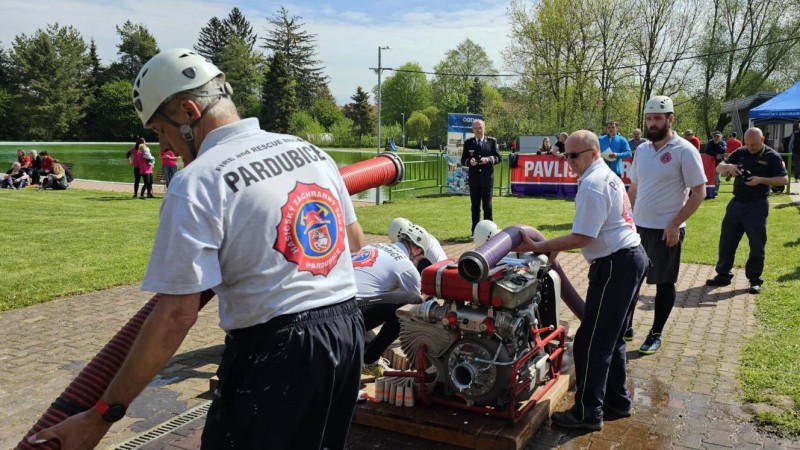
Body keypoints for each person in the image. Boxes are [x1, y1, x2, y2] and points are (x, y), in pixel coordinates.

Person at [29, 48, 366, 450]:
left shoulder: (197, 182)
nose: (165, 142)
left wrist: (102, 415)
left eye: (160, 130)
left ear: (189, 112)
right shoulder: (307, 150)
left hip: (277, 353)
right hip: (347, 332)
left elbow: (175, 316)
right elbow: (355, 244)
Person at [515, 130, 647, 431]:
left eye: (573, 155)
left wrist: (539, 247)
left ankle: (587, 414)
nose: (568, 160)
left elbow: (584, 236)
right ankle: (618, 400)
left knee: (590, 342)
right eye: (565, 154)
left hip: (615, 264)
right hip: (629, 259)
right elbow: (590, 228)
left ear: (593, 152)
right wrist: (555, 250)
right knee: (612, 340)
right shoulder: (604, 176)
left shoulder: (593, 184)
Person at [627, 95, 707, 355]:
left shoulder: (684, 150)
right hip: (638, 228)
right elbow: (634, 188)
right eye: (649, 118)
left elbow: (699, 192)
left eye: (657, 118)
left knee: (663, 283)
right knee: (631, 279)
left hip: (667, 230)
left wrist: (675, 224)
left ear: (670, 119)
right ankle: (625, 325)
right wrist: (625, 218)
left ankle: (655, 333)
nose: (652, 123)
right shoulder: (641, 149)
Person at [706, 127, 788, 295]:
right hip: (736, 203)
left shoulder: (772, 156)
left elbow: (784, 179)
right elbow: (719, 168)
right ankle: (723, 274)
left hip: (757, 205)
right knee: (727, 241)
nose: (750, 147)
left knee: (757, 244)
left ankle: (754, 279)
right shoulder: (741, 151)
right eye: (748, 144)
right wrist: (729, 166)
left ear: (763, 139)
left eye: (754, 144)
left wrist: (761, 180)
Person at [355, 223, 431, 376]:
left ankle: (365, 355)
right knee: (412, 301)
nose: (419, 260)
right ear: (416, 249)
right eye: (421, 255)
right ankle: (370, 359)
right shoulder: (406, 265)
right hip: (354, 311)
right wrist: (428, 294)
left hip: (335, 305)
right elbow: (414, 306)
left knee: (371, 298)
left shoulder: (372, 246)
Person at [461, 119, 501, 235]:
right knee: (475, 207)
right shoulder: (468, 143)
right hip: (474, 180)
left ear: (484, 128)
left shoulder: (492, 142)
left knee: (487, 207)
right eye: (476, 128)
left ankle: (490, 232)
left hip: (487, 180)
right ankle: (475, 232)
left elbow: (499, 158)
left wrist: (488, 159)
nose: (478, 130)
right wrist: (469, 161)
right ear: (473, 129)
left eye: (480, 128)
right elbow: (463, 160)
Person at [705, 131, 727, 197]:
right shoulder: (710, 142)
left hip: (719, 163)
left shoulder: (723, 143)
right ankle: (708, 191)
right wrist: (715, 154)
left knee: (717, 178)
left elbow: (723, 150)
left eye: (718, 136)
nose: (716, 138)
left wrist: (717, 144)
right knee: (708, 177)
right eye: (715, 136)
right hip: (710, 163)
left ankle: (715, 191)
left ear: (721, 137)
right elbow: (707, 151)